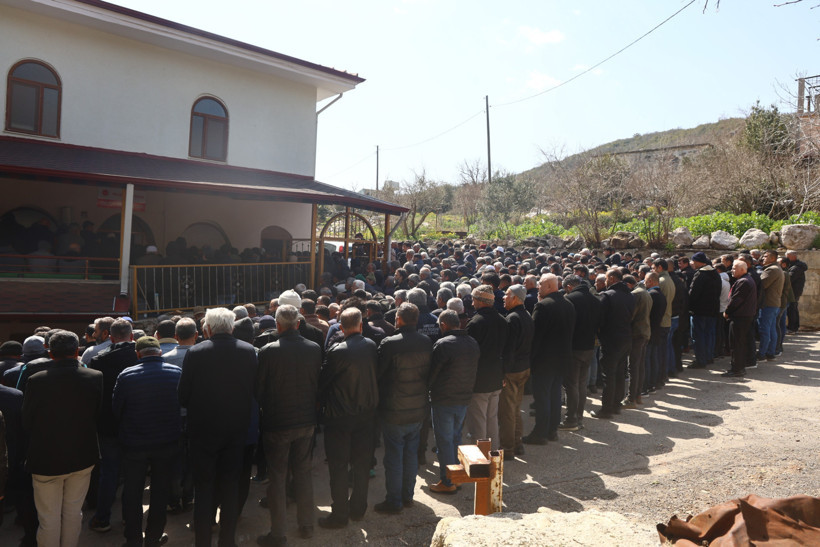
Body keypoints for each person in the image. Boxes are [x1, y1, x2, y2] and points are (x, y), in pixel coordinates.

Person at [178, 307, 257, 547]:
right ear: (231, 327)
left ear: (208, 329)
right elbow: (255, 390)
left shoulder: (195, 352)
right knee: (231, 485)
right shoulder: (248, 352)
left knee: (204, 487)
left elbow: (183, 396)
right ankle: (227, 541)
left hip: (202, 432)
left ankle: (203, 541)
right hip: (236, 430)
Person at [22, 330, 103, 547]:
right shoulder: (95, 377)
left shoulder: (36, 380)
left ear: (50, 353)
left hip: (45, 458)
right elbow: (97, 415)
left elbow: (27, 420)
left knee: (48, 518)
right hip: (82, 455)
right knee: (73, 513)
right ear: (77, 351)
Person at [255, 304, 322, 545]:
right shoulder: (314, 348)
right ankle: (306, 526)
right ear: (297, 324)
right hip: (305, 421)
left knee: (277, 476)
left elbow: (259, 390)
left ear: (278, 325)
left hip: (277, 423)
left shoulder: (268, 351)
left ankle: (278, 533)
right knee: (303, 473)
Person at [113, 336, 182, 547]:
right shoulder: (176, 373)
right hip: (168, 442)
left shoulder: (126, 375)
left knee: (132, 492)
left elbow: (116, 410)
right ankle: (153, 537)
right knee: (160, 491)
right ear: (160, 353)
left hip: (134, 443)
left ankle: (133, 539)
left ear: (138, 354)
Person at [318, 308, 379, 529]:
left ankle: (340, 513)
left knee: (339, 466)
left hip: (340, 418)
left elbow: (323, 382)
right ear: (361, 325)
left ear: (341, 328)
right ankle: (358, 509)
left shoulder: (337, 351)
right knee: (361, 465)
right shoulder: (371, 346)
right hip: (365, 415)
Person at [374, 303, 432, 514]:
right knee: (410, 454)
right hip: (417, 408)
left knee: (394, 457)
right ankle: (407, 496)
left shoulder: (390, 343)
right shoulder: (426, 342)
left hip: (394, 409)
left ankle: (395, 501)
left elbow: (379, 374)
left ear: (398, 319)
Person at [87, 318, 138, 533]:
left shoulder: (99, 360)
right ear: (132, 336)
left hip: (108, 425)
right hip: (136, 424)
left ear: (111, 337)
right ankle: (129, 518)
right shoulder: (140, 356)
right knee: (133, 474)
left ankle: (103, 518)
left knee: (109, 472)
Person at [427, 310, 480, 494]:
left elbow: (432, 374)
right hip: (463, 398)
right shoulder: (472, 342)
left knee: (445, 442)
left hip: (444, 400)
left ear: (443, 325)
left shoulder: (442, 345)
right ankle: (455, 477)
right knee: (455, 438)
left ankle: (448, 481)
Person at [524, 273, 575, 443]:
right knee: (554, 395)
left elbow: (535, 336)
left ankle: (540, 433)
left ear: (548, 287)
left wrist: (530, 358)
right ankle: (552, 430)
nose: (538, 288)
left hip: (544, 360)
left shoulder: (543, 306)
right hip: (562, 357)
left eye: (540, 285)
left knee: (543, 397)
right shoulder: (568, 304)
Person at [465, 285, 507, 450]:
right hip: (496, 376)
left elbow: (470, 353)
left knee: (479, 421)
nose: (473, 302)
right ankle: (494, 454)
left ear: (479, 301)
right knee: (491, 419)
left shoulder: (475, 323)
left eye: (474, 299)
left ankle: (481, 460)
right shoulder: (503, 321)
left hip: (480, 379)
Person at [592, 269, 635, 419]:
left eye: (606, 278)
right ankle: (616, 405)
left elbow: (599, 318)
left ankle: (607, 409)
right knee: (619, 373)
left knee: (609, 375)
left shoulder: (607, 296)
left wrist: (599, 332)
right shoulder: (629, 295)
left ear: (611, 278)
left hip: (611, 340)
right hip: (625, 338)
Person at [561, 274, 601, 431]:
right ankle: (578, 417)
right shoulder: (595, 299)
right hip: (589, 346)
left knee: (571, 385)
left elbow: (565, 325)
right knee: (581, 384)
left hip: (574, 348)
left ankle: (571, 419)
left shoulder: (570, 299)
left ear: (569, 287)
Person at [498, 284, 533, 458]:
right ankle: (517, 444)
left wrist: (503, 372)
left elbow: (508, 349)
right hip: (523, 368)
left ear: (515, 298)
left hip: (512, 371)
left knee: (507, 411)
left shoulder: (512, 318)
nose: (504, 297)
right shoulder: (526, 315)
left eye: (507, 294)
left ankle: (508, 448)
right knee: (515, 407)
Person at [723, 260, 757, 377]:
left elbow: (736, 300)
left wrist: (727, 312)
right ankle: (738, 367)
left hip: (740, 317)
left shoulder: (744, 282)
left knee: (736, 344)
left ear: (742, 269)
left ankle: (737, 369)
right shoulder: (745, 280)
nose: (732, 270)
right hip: (743, 316)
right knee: (739, 343)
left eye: (734, 268)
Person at [688, 252, 722, 368]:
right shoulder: (715, 274)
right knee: (709, 334)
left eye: (693, 261)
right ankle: (708, 357)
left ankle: (700, 360)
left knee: (698, 336)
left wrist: (689, 307)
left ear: (697, 262)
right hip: (713, 310)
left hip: (700, 311)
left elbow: (693, 294)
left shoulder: (700, 274)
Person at [758, 250, 784, 361]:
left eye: (765, 256)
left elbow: (762, 284)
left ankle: (762, 353)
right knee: (771, 328)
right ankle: (770, 352)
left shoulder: (771, 270)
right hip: (774, 303)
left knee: (765, 329)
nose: (763, 258)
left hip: (768, 303)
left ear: (773, 258)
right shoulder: (777, 268)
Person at [785, 250, 807, 333]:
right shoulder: (795, 266)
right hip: (794, 291)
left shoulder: (796, 267)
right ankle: (793, 327)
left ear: (793, 257)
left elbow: (790, 278)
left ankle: (792, 328)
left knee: (791, 310)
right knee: (792, 309)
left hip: (793, 292)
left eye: (787, 256)